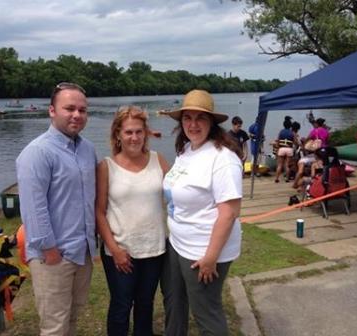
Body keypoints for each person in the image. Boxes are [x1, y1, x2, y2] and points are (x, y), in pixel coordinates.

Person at [16, 82, 97, 336]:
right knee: (54, 325)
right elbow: (33, 207)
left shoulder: (87, 149)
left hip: (81, 251)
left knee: (73, 315)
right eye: (69, 108)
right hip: (53, 255)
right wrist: (49, 250)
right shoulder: (37, 153)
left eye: (82, 110)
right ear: (52, 111)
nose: (77, 115)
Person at [161, 89, 242, 336]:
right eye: (187, 118)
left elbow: (229, 213)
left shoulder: (223, 159)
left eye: (200, 118)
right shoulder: (187, 150)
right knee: (174, 301)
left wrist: (211, 257)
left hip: (203, 251)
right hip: (178, 243)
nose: (193, 124)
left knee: (206, 312)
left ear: (212, 123)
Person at [96, 105, 169, 336]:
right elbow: (99, 211)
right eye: (128, 132)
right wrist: (115, 250)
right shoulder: (106, 166)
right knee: (121, 306)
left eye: (139, 131)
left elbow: (181, 194)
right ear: (118, 134)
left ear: (146, 132)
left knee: (145, 304)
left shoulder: (159, 161)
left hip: (154, 250)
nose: (134, 137)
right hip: (120, 251)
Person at [274, 117, 294, 183]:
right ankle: (287, 179)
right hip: (289, 149)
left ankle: (277, 178)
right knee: (287, 165)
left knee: (280, 165)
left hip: (282, 149)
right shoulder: (292, 133)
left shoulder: (281, 132)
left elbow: (278, 141)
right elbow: (295, 142)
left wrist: (277, 149)